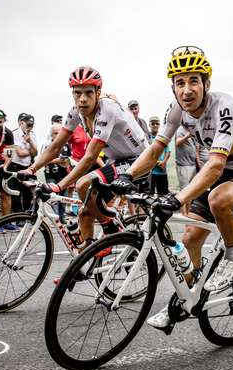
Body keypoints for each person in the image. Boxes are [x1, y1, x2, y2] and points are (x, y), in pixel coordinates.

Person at [110, 45, 233, 331]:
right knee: (190, 238)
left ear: (206, 84)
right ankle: (182, 302)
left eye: (194, 81)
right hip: (221, 170)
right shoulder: (176, 109)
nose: (187, 89)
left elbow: (215, 166)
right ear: (173, 88)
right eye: (180, 83)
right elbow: (156, 149)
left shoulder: (224, 106)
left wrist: (178, 198)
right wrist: (127, 177)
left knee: (219, 200)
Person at [23, 66, 147, 242]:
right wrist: (31, 169)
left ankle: (111, 230)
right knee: (85, 214)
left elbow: (89, 157)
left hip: (138, 160)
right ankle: (89, 262)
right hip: (117, 160)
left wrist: (59, 186)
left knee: (82, 185)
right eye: (77, 93)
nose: (82, 99)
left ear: (98, 92)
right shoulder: (75, 112)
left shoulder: (107, 110)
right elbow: (56, 146)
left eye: (89, 93)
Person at [42, 123, 71, 223]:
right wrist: (56, 161)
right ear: (51, 134)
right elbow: (43, 159)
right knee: (53, 196)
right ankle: (56, 217)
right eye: (55, 133)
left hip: (63, 174)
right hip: (50, 174)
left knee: (63, 197)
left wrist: (66, 163)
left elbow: (69, 159)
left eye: (60, 133)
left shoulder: (66, 145)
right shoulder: (46, 145)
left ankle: (62, 217)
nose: (58, 135)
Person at [10, 113, 38, 212]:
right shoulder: (14, 134)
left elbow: (35, 153)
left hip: (27, 166)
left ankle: (26, 215)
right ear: (21, 123)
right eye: (28, 125)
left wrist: (30, 141)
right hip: (15, 166)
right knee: (16, 193)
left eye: (32, 125)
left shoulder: (32, 135)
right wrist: (31, 151)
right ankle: (17, 217)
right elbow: (20, 153)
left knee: (28, 193)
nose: (30, 127)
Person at [175, 124, 197, 215]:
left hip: (192, 164)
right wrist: (187, 136)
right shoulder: (180, 129)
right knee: (184, 191)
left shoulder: (191, 129)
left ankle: (187, 214)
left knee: (190, 192)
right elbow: (178, 142)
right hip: (183, 165)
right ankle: (184, 214)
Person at [149, 116, 170, 195]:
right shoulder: (147, 137)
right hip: (150, 172)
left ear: (159, 125)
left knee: (163, 194)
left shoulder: (163, 137)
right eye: (153, 123)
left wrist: (163, 162)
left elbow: (168, 151)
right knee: (149, 194)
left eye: (157, 123)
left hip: (162, 171)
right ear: (149, 125)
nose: (155, 125)